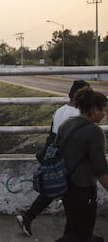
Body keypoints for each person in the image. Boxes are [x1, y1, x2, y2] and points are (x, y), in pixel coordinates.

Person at [16, 79, 90, 236]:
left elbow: (52, 135)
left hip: (54, 156)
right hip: (68, 159)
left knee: (55, 193)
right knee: (69, 198)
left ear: (69, 95)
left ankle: (29, 217)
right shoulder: (79, 114)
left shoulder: (60, 111)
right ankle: (71, 234)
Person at [55, 88, 108, 242]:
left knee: (72, 226)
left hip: (66, 186)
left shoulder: (66, 124)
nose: (104, 114)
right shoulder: (94, 132)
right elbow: (101, 169)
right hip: (83, 189)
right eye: (103, 109)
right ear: (93, 109)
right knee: (82, 235)